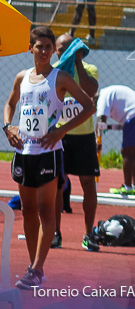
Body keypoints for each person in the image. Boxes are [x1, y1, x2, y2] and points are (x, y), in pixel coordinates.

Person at [3, 26, 96, 290]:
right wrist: (8, 127)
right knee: (28, 210)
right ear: (30, 48)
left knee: (46, 210)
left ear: (53, 50)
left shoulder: (61, 78)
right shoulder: (22, 77)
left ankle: (36, 268)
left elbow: (89, 106)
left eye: (48, 47)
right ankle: (34, 269)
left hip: (48, 153)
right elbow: (10, 104)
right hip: (24, 152)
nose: (43, 51)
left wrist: (62, 130)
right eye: (39, 46)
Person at [52, 34, 101, 252]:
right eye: (61, 49)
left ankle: (89, 234)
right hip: (61, 136)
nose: (65, 53)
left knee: (88, 184)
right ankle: (55, 233)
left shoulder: (89, 69)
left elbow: (90, 92)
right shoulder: (53, 70)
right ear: (55, 51)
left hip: (84, 136)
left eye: (70, 48)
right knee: (56, 186)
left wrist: (78, 62)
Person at [96, 85, 135, 196]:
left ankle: (128, 187)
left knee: (127, 152)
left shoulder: (102, 98)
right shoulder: (110, 92)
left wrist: (97, 141)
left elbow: (101, 120)